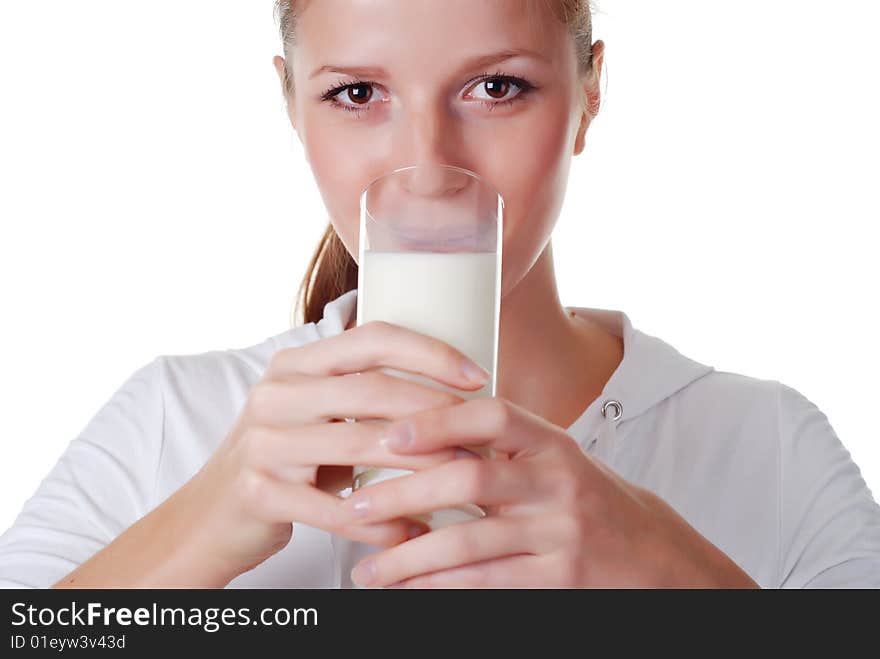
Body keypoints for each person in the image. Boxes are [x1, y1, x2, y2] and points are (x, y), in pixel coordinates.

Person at [2, 0, 879, 589]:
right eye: (356, 93)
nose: (427, 168)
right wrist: (199, 529)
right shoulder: (178, 421)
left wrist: (680, 580)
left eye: (496, 88)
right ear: (290, 105)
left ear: (590, 94)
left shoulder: (768, 444)